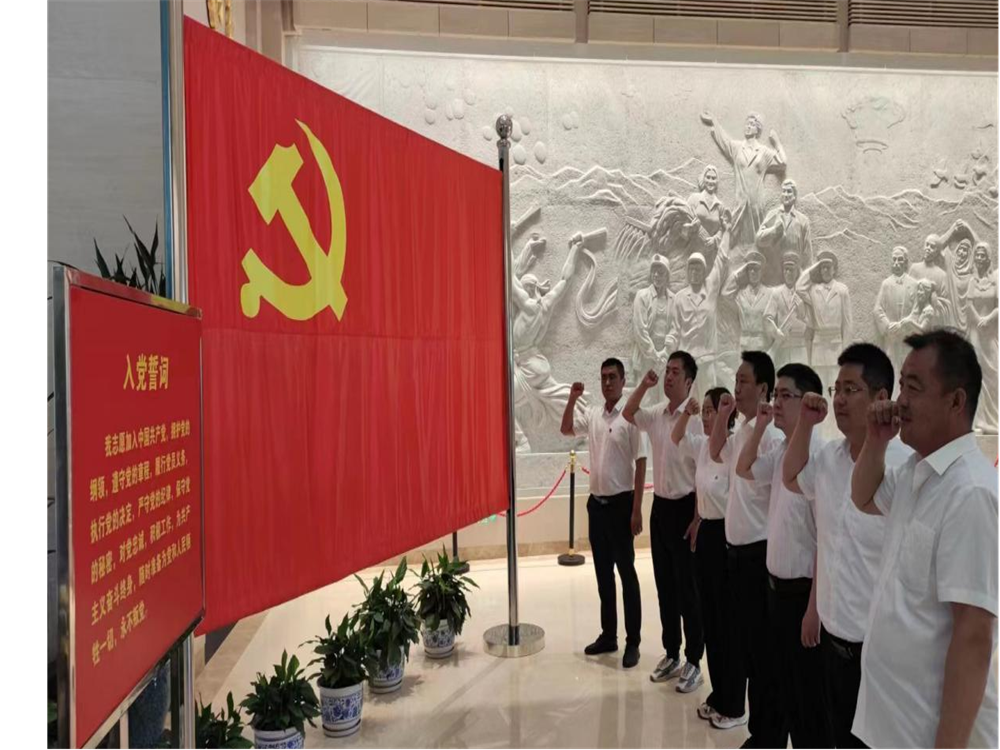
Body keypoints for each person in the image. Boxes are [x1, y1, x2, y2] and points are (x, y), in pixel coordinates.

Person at [851, 329, 999, 749]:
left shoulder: (970, 492)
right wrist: (876, 441)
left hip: (924, 734)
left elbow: (974, 637)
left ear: (956, 401)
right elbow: (863, 497)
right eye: (901, 386)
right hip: (889, 724)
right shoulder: (917, 472)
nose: (899, 401)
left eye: (913, 388)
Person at [782, 343, 911, 749]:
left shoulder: (903, 469)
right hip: (832, 638)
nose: (839, 399)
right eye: (836, 389)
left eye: (851, 389)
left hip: (879, 652)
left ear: (881, 398)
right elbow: (791, 479)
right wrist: (806, 424)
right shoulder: (829, 458)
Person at [736, 363, 831, 749]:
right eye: (775, 394)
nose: (776, 402)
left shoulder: (819, 458)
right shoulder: (780, 452)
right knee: (782, 684)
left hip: (803, 595)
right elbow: (743, 469)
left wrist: (813, 610)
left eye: (785, 395)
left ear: (808, 402)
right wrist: (759, 426)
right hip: (775, 589)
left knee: (808, 698)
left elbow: (825, 540)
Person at [709, 351, 784, 738]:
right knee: (744, 642)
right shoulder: (743, 430)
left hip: (758, 553)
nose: (736, 388)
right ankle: (757, 729)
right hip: (735, 553)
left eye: (743, 382)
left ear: (764, 388)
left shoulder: (771, 436)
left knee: (762, 651)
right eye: (735, 380)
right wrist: (723, 414)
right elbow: (715, 452)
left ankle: (766, 732)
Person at [624, 352, 705, 693]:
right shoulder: (657, 413)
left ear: (689, 381)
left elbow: (703, 471)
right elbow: (628, 413)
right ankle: (672, 652)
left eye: (675, 372)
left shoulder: (696, 418)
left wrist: (698, 517)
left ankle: (694, 660)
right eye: (667, 370)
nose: (668, 377)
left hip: (687, 509)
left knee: (689, 591)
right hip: (660, 508)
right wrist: (644, 385)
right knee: (665, 587)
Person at [561, 358, 647, 669]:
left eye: (613, 377)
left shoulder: (630, 416)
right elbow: (566, 429)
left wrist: (637, 509)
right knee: (602, 575)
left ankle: (633, 642)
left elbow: (641, 462)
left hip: (622, 505)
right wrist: (572, 399)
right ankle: (609, 635)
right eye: (603, 377)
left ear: (623, 381)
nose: (607, 382)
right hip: (596, 506)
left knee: (627, 575)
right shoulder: (594, 414)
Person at [672, 388, 746, 729]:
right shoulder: (703, 447)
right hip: (706, 536)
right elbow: (675, 437)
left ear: (726, 415)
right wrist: (697, 519)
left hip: (726, 538)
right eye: (702, 410)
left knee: (728, 624)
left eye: (710, 410)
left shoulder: (734, 449)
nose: (704, 416)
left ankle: (735, 704)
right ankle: (719, 694)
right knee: (711, 621)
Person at [512, 233, 583, 451]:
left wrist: (509, 239)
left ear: (528, 289)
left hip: (528, 365)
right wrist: (575, 249)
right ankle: (582, 425)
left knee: (504, 398)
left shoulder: (528, 306)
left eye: (524, 287)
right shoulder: (546, 303)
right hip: (534, 362)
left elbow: (509, 276)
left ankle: (521, 442)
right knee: (555, 396)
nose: (521, 290)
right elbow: (565, 280)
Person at [699, 110, 787, 252]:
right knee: (730, 240)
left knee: (757, 244)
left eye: (752, 124)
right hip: (740, 204)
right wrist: (714, 121)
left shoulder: (764, 152)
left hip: (756, 205)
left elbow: (782, 163)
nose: (748, 126)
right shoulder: (737, 148)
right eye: (747, 124)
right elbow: (724, 141)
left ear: (758, 129)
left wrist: (777, 143)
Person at [667, 249, 729, 391]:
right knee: (686, 400)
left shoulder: (710, 292)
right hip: (687, 363)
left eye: (698, 269)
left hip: (707, 361)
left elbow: (720, 260)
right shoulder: (679, 298)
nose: (695, 272)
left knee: (709, 400)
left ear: (704, 272)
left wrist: (725, 235)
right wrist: (669, 344)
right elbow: (675, 329)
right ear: (688, 272)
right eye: (692, 269)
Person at [798, 250, 853, 394]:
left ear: (834, 270)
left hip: (836, 345)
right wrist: (813, 268)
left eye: (828, 267)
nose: (825, 270)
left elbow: (847, 323)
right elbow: (799, 287)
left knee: (835, 386)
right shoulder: (814, 290)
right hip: (819, 345)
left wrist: (846, 352)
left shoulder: (842, 290)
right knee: (819, 386)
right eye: (822, 267)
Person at [755, 179, 814, 285]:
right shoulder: (773, 215)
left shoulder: (803, 221)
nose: (786, 195)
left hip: (795, 277)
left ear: (795, 196)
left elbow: (807, 256)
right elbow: (759, 239)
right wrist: (774, 230)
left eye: (789, 191)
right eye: (784, 191)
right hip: (774, 275)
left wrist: (806, 281)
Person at [966, 242, 998, 433]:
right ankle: (979, 421)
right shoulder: (972, 281)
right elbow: (969, 304)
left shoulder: (995, 281)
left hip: (990, 334)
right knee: (977, 374)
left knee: (994, 373)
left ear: (988, 258)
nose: (979, 258)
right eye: (977, 255)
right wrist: (979, 319)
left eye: (982, 255)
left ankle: (995, 419)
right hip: (976, 334)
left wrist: (988, 319)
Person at [873, 246, 918, 378]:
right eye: (894, 259)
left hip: (908, 337)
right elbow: (877, 309)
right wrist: (888, 325)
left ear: (905, 262)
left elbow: (917, 310)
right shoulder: (886, 284)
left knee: (909, 369)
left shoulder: (914, 284)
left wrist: (905, 324)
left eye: (900, 260)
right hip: (892, 337)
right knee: (892, 369)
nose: (897, 263)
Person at [630, 255, 672, 388]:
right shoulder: (642, 296)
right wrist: (654, 354)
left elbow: (676, 328)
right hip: (646, 357)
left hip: (665, 357)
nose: (656, 275)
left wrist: (666, 352)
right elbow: (640, 330)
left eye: (661, 272)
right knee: (645, 394)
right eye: (654, 271)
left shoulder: (673, 299)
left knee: (665, 394)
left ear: (667, 275)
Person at [766, 252, 812, 370]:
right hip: (782, 346)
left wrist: (802, 313)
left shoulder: (804, 294)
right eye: (785, 269)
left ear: (797, 271)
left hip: (799, 347)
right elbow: (767, 317)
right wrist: (776, 332)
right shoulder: (776, 293)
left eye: (791, 270)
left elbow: (813, 323)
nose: (788, 273)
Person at [724, 250, 774, 352]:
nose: (753, 272)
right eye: (750, 269)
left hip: (763, 347)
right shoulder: (740, 294)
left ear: (762, 272)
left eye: (756, 269)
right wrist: (738, 273)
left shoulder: (770, 294)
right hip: (744, 347)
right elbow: (725, 294)